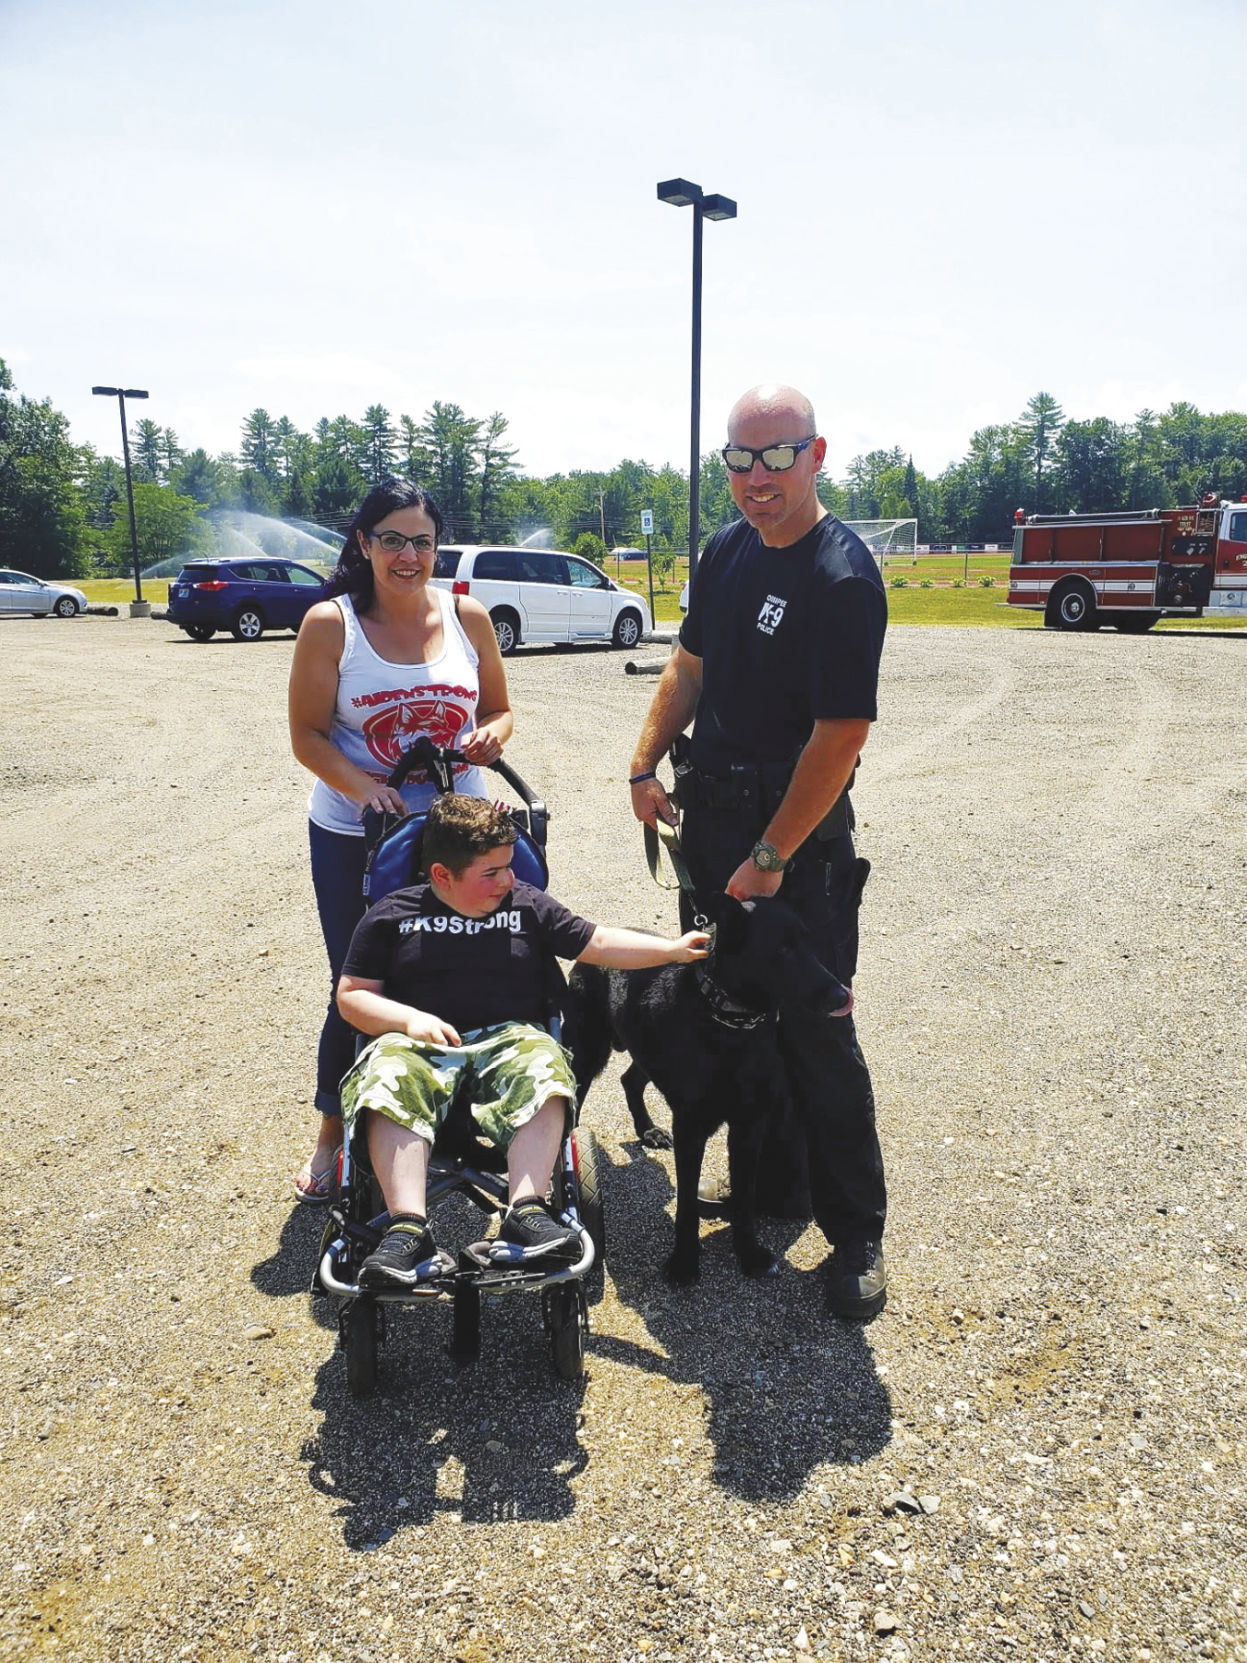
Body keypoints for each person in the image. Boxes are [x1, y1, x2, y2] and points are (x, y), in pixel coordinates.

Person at [628, 383, 889, 1319]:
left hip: (795, 844)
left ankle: (855, 1230)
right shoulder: (728, 549)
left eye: (776, 456)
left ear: (817, 456)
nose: (756, 478)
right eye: (739, 459)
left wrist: (774, 854)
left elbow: (839, 735)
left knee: (818, 1026)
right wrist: (644, 759)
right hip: (715, 824)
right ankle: (773, 1190)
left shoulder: (840, 576)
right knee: (724, 1009)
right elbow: (688, 663)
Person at [336, 794, 711, 1285]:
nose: (508, 880)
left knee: (548, 1065)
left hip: (510, 1042)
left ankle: (526, 1212)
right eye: (490, 873)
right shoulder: (392, 915)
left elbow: (597, 943)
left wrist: (672, 949)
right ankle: (407, 1231)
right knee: (385, 1076)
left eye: (509, 867)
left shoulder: (526, 906)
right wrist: (406, 1020)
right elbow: (351, 997)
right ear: (441, 875)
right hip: (417, 1045)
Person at [288, 479, 513, 1203]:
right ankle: (330, 1135)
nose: (409, 555)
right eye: (392, 539)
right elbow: (307, 735)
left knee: (468, 963)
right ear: (363, 543)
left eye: (421, 540)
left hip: (456, 826)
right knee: (358, 980)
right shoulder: (332, 624)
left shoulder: (467, 615)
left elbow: (503, 710)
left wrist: (489, 737)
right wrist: (364, 787)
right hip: (357, 830)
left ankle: (459, 1115)